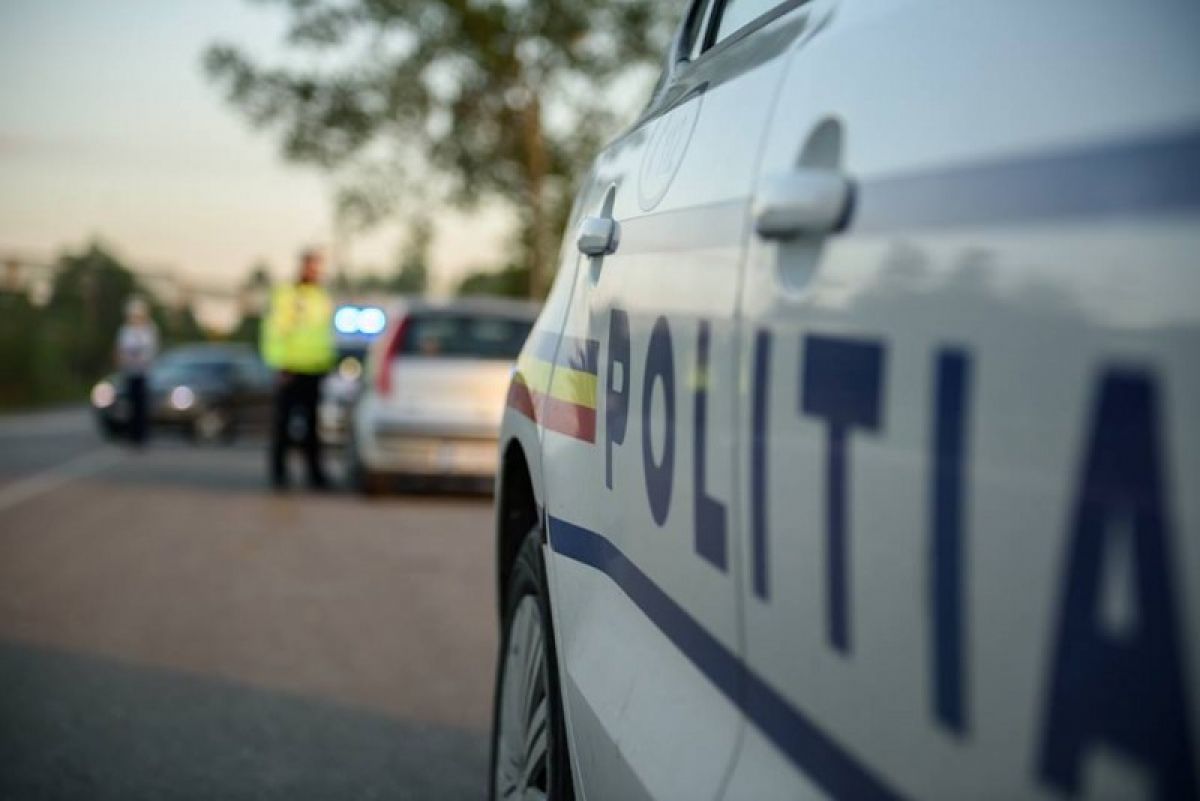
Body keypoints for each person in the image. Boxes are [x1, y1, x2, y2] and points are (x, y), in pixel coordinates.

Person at [260, 248, 336, 489]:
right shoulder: (288, 295)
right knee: (283, 425)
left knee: (313, 426)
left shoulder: (321, 296)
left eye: (318, 267)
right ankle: (279, 475)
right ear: (303, 266)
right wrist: (280, 363)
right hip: (291, 370)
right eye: (312, 266)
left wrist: (328, 363)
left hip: (315, 369)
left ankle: (315, 475)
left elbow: (324, 334)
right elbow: (274, 331)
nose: (316, 272)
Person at [114, 296, 158, 446]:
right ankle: (131, 434)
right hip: (129, 372)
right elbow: (120, 350)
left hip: (143, 373)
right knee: (130, 405)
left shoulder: (149, 330)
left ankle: (141, 435)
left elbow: (151, 351)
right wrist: (123, 362)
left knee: (142, 405)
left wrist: (140, 358)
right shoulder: (125, 331)